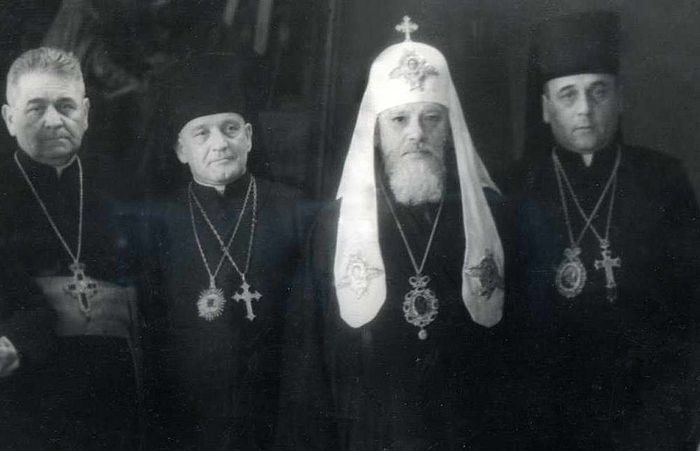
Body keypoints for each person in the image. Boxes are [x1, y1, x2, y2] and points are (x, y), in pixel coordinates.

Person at [277, 17, 519, 450]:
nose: (416, 134)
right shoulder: (333, 228)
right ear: (375, 133)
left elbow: (519, 357)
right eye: (400, 120)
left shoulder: (492, 217)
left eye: (431, 119)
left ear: (450, 131)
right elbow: (307, 373)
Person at [518, 11, 700, 449]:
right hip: (546, 417)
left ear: (620, 100)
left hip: (649, 412)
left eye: (599, 91)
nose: (585, 108)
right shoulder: (513, 188)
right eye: (568, 94)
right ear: (545, 108)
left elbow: (692, 307)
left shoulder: (663, 179)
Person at [142, 52, 313, 450]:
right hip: (192, 418)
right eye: (201, 133)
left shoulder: (296, 210)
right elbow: (152, 336)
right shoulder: (158, 222)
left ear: (249, 137)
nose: (220, 143)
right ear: (180, 149)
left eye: (230, 128)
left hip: (280, 412)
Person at [0, 47, 141, 449]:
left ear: (86, 113)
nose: (53, 121)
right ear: (9, 119)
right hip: (23, 397)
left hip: (112, 399)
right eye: (36, 108)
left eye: (65, 106)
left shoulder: (122, 189)